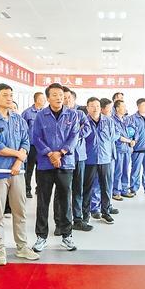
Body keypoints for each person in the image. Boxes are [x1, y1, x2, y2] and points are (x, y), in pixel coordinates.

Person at [0, 84, 40, 266]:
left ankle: (22, 247)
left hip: (17, 172)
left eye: (11, 95)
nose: (9, 98)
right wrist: (18, 155)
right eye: (5, 95)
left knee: (20, 211)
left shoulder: (18, 119)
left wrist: (18, 162)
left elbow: (25, 141)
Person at [31, 83, 80, 253]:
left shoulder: (72, 114)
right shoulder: (40, 116)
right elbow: (36, 137)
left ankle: (67, 235)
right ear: (48, 98)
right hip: (45, 164)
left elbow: (74, 136)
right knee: (43, 201)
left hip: (65, 163)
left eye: (61, 94)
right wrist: (50, 154)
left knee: (65, 200)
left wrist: (61, 152)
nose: (59, 97)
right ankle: (41, 237)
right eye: (54, 95)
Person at [82, 97, 118, 225]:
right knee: (87, 188)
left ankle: (105, 213)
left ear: (100, 108)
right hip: (89, 159)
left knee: (106, 187)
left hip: (105, 158)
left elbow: (113, 137)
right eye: (92, 106)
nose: (95, 108)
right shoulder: (83, 121)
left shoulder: (108, 121)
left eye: (97, 106)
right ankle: (85, 215)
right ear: (87, 108)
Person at [64, 89, 92, 232]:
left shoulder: (81, 114)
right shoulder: (59, 115)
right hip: (64, 157)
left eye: (69, 97)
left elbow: (87, 129)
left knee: (78, 189)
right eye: (64, 97)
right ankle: (62, 222)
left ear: (74, 99)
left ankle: (78, 219)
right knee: (63, 190)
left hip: (79, 156)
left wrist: (73, 135)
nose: (66, 100)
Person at [21, 92, 46, 199]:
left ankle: (39, 189)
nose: (44, 100)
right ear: (36, 100)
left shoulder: (45, 112)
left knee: (41, 169)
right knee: (29, 169)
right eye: (42, 99)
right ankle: (27, 189)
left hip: (42, 146)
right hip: (31, 146)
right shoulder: (27, 113)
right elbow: (22, 130)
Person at [112, 100, 135, 199]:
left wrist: (133, 141)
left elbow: (133, 130)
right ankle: (116, 191)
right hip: (119, 149)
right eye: (123, 106)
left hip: (127, 149)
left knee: (125, 170)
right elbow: (117, 136)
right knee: (118, 171)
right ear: (117, 108)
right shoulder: (112, 120)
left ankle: (124, 190)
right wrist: (129, 141)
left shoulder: (126, 119)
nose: (125, 108)